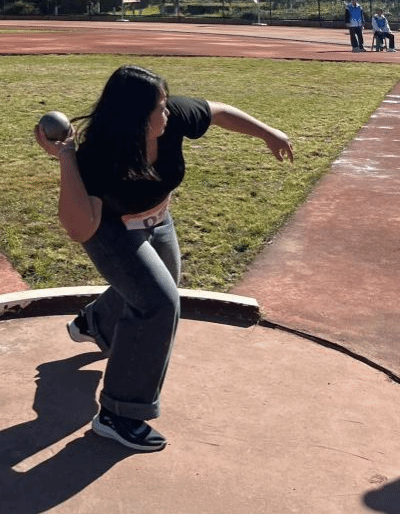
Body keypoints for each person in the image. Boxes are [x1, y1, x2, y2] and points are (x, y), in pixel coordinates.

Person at [34, 64, 294, 452]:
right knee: (158, 302)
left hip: (158, 218)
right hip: (110, 228)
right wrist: (66, 157)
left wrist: (269, 133)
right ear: (136, 117)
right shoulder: (100, 156)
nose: (168, 111)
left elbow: (219, 112)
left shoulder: (172, 120)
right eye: (160, 106)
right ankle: (119, 414)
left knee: (154, 288)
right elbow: (79, 227)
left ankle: (95, 323)